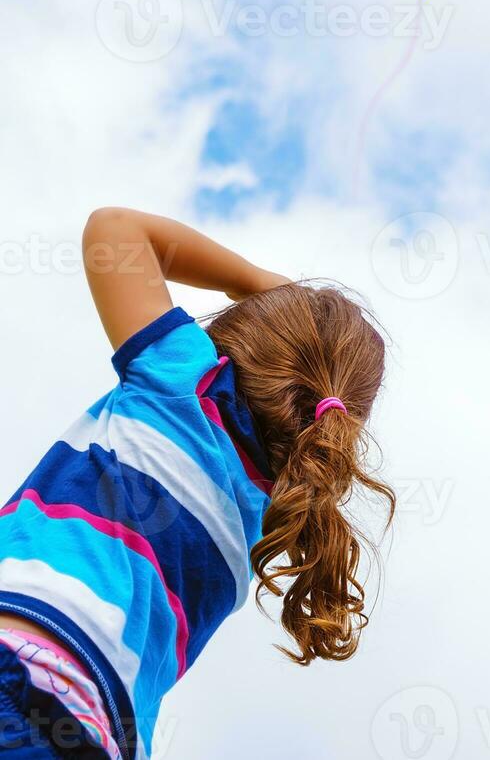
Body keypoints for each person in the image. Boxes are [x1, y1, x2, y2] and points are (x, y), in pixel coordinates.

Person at [0, 208, 394, 758]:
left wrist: (252, 282)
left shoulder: (184, 382)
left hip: (25, 657)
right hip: (100, 733)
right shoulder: (274, 518)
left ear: (229, 344)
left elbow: (113, 230)